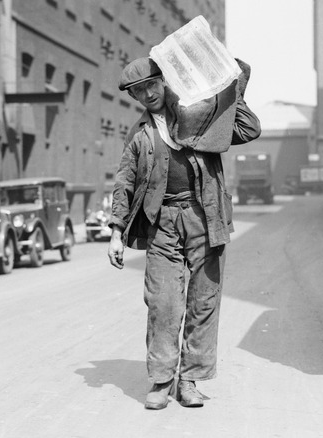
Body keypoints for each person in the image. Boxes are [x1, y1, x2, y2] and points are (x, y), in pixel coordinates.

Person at [108, 57, 261, 409]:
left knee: (203, 303)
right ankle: (162, 380)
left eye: (151, 85)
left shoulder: (201, 117)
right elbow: (125, 181)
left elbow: (249, 130)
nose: (146, 94)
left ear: (165, 81)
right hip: (162, 224)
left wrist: (235, 90)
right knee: (163, 303)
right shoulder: (140, 134)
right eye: (137, 91)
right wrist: (116, 231)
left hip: (205, 217)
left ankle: (189, 380)